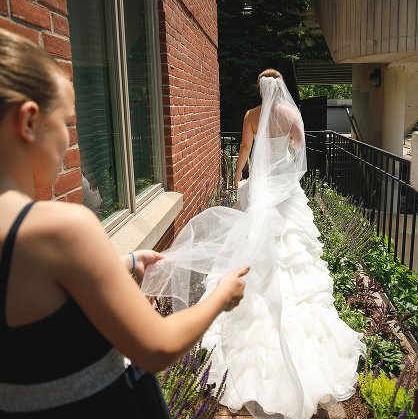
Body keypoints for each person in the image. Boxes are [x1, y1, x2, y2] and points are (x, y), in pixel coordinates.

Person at [0, 0, 249, 417]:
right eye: (67, 122)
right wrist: (221, 295)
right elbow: (157, 347)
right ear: (28, 121)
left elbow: (29, 307)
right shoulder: (60, 227)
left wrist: (124, 262)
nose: (70, 139)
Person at [142, 69, 364, 419]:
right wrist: (285, 154)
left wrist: (237, 177)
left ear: (261, 89)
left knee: (253, 235)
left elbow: (245, 147)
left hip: (262, 183)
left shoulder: (251, 115)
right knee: (291, 241)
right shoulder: (290, 114)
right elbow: (300, 147)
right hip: (284, 183)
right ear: (281, 87)